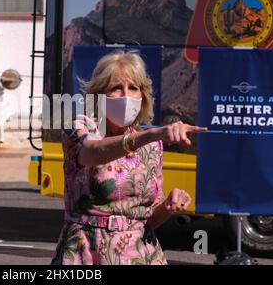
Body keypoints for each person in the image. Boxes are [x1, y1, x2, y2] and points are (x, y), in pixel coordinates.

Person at [51, 50, 207, 265]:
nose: (126, 95)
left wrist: (169, 207)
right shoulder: (81, 127)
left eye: (133, 88)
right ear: (100, 94)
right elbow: (92, 152)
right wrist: (150, 134)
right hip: (87, 251)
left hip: (139, 254)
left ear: (142, 96)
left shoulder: (152, 145)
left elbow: (149, 219)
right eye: (116, 88)